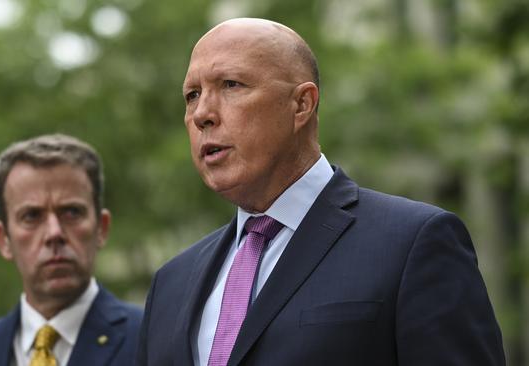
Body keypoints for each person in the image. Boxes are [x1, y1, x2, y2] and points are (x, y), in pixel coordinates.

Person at [137, 18, 505, 366]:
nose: (202, 113)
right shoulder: (171, 283)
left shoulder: (413, 243)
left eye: (231, 85)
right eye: (192, 95)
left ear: (302, 105)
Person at [0, 134, 142, 366]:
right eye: (31, 216)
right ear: (4, 240)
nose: (54, 233)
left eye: (71, 212)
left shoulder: (152, 338)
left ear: (102, 228)